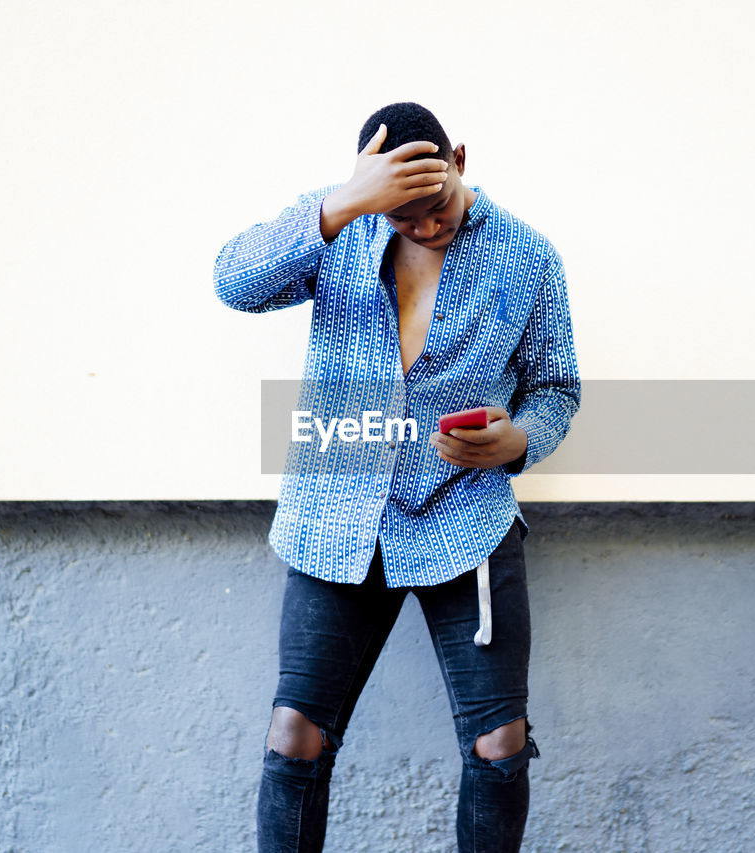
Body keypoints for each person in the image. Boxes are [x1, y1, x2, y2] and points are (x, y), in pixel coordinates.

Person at [213, 101, 580, 853]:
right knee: (295, 735)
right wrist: (346, 202)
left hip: (465, 520)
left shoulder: (527, 255)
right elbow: (233, 280)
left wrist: (516, 442)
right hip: (337, 516)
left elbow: (557, 388)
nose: (424, 227)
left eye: (436, 207)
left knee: (499, 743)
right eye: (403, 215)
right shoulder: (340, 229)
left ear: (462, 161)